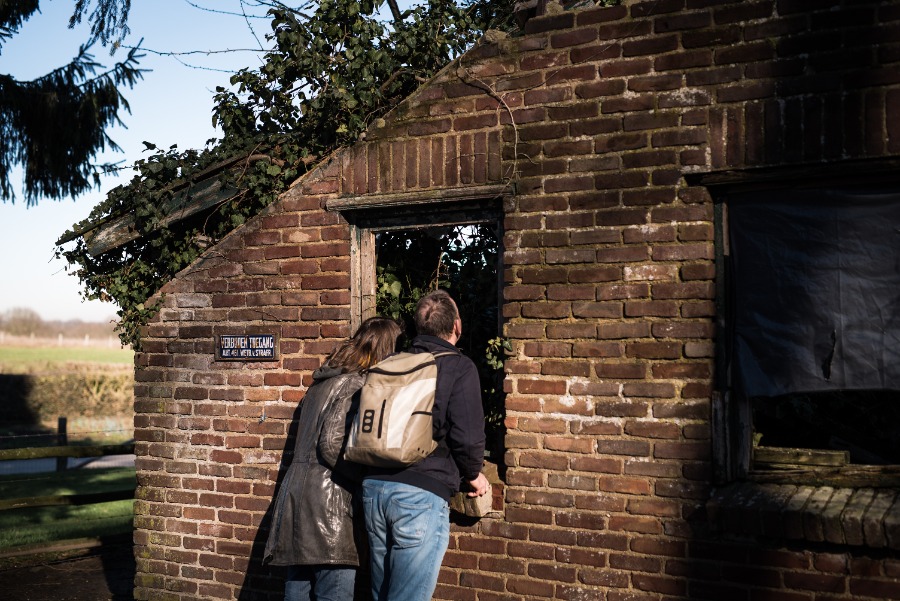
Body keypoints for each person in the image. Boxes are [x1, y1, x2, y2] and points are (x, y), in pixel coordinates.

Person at [361, 289, 489, 601]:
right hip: (419, 494)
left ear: (418, 327)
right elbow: (467, 437)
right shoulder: (459, 367)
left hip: (374, 488)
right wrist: (473, 474)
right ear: (457, 326)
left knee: (381, 595)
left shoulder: (391, 362)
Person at [264, 316, 402, 601]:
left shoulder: (320, 385)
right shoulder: (356, 385)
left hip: (295, 499)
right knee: (334, 593)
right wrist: (363, 476)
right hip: (330, 507)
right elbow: (330, 444)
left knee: (297, 591)